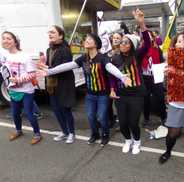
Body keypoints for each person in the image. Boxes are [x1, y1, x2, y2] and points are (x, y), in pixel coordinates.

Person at [37, 33, 132, 146]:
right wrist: (50, 71)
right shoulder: (83, 58)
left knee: (102, 117)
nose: (86, 40)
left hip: (103, 94)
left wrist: (122, 76)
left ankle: (105, 135)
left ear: (96, 44)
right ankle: (95, 134)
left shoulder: (103, 58)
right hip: (90, 94)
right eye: (86, 38)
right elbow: (67, 66)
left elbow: (110, 68)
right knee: (91, 116)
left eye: (90, 39)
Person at [110, 9, 151, 154]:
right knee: (123, 123)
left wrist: (141, 24)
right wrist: (113, 89)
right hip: (121, 95)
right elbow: (113, 77)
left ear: (132, 45)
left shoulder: (137, 55)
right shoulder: (115, 58)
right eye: (121, 42)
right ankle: (128, 140)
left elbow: (147, 44)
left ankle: (137, 142)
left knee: (133, 122)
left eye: (126, 42)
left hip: (136, 94)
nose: (122, 44)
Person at [158, 31, 184, 172]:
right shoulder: (171, 59)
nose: (176, 44)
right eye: (176, 41)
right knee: (173, 133)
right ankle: (168, 152)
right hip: (176, 104)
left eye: (180, 41)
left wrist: (175, 72)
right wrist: (165, 75)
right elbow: (167, 85)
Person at [1, 31, 42, 145]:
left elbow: (32, 74)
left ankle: (37, 134)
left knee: (29, 113)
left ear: (15, 41)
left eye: (9, 38)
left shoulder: (25, 56)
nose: (5, 40)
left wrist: (18, 79)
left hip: (26, 91)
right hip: (13, 90)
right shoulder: (5, 56)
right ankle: (18, 131)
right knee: (14, 113)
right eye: (3, 38)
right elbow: (6, 71)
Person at [45, 25, 76, 144]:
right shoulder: (49, 49)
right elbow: (49, 66)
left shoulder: (65, 49)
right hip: (52, 85)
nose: (50, 34)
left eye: (53, 32)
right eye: (49, 32)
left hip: (64, 84)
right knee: (56, 110)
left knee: (65, 109)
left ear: (61, 35)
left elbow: (64, 68)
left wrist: (48, 69)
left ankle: (71, 133)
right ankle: (64, 132)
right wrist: (45, 66)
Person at [141, 31, 167, 127]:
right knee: (146, 99)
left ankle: (164, 117)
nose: (148, 38)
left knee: (160, 98)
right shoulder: (141, 49)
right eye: (146, 37)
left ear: (153, 37)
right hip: (145, 77)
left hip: (156, 76)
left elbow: (162, 62)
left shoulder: (157, 49)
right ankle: (146, 118)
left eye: (150, 36)